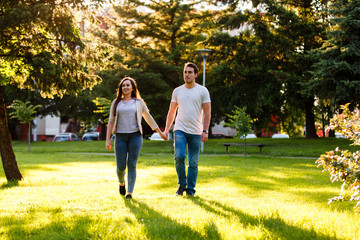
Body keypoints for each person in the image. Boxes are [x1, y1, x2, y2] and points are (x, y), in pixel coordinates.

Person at [106, 77, 167, 199]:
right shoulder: (116, 103)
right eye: (124, 85)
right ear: (121, 88)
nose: (126, 87)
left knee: (132, 164)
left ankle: (129, 192)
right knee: (121, 166)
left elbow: (148, 118)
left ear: (133, 88)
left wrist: (160, 132)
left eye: (128, 85)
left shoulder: (139, 102)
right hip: (120, 137)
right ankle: (121, 182)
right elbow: (111, 121)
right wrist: (108, 139)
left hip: (135, 136)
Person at [164, 62, 211, 197]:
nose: (187, 74)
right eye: (185, 72)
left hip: (196, 131)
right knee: (179, 156)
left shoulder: (203, 91)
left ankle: (190, 190)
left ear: (195, 75)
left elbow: (207, 112)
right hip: (179, 129)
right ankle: (182, 184)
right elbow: (172, 111)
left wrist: (205, 130)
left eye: (190, 72)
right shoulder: (177, 91)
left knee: (193, 163)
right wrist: (167, 129)